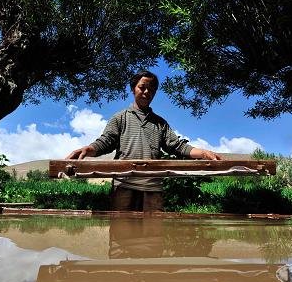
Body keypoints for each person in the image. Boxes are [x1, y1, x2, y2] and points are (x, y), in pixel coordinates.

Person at [66, 71, 221, 212]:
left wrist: (203, 153)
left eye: (152, 89)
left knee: (152, 238)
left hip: (152, 188)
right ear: (133, 89)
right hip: (124, 186)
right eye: (142, 87)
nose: (147, 92)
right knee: (122, 235)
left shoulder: (160, 123)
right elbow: (106, 141)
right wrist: (88, 149)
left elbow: (177, 146)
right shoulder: (120, 118)